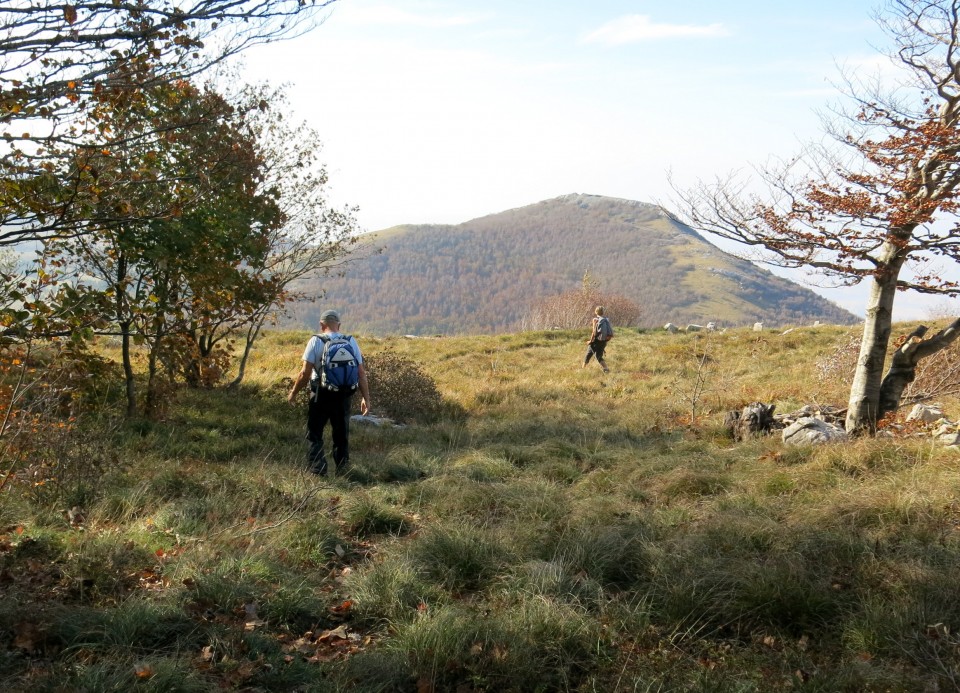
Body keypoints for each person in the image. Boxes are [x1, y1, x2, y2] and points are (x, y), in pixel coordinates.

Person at [288, 309, 370, 476]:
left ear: (321, 324)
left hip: (320, 394)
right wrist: (365, 398)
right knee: (341, 434)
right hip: (344, 394)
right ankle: (343, 471)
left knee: (315, 433)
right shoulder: (350, 341)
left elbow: (305, 373)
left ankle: (318, 471)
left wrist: (293, 393)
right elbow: (361, 373)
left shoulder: (315, 341)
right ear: (338, 325)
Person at [582, 306, 611, 373]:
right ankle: (606, 369)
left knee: (588, 355)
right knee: (599, 356)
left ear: (596, 311)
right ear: (603, 312)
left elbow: (594, 332)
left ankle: (582, 370)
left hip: (595, 341)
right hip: (603, 341)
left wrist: (590, 341)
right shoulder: (606, 320)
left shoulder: (595, 319)